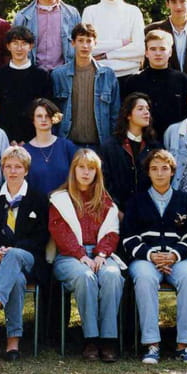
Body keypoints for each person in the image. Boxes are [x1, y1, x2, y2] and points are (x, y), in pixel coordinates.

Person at [122, 149, 187, 364]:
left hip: (178, 259)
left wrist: (174, 255)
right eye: (154, 169)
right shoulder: (136, 201)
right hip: (146, 259)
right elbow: (129, 237)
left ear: (173, 171)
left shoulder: (186, 201)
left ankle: (185, 345)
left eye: (164, 168)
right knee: (145, 279)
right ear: (148, 172)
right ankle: (152, 344)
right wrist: (151, 255)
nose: (159, 173)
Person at [49, 148, 125, 362]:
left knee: (112, 275)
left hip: (101, 253)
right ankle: (90, 339)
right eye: (81, 167)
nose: (85, 172)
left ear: (97, 172)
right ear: (73, 170)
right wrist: (81, 255)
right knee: (85, 276)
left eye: (91, 168)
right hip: (69, 256)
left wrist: (101, 254)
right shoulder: (60, 199)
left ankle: (108, 339)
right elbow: (59, 231)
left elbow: (111, 231)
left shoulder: (105, 200)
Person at [0, 146, 50, 361]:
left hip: (29, 259)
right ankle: (12, 343)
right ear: (2, 169)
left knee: (15, 255)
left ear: (26, 170)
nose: (13, 171)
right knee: (16, 279)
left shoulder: (38, 199)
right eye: (8, 166)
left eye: (18, 167)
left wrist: (13, 250)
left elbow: (41, 236)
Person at [51, 23, 120, 149]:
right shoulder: (58, 75)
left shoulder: (107, 75)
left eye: (89, 41)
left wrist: (111, 145)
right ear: (73, 43)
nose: (85, 45)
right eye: (80, 40)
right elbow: (53, 113)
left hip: (100, 146)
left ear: (95, 44)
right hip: (67, 144)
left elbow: (115, 114)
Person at [82, 0, 145, 85]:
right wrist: (122, 43)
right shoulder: (90, 11)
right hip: (99, 76)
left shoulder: (134, 12)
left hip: (130, 76)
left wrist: (105, 55)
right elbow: (89, 48)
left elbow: (139, 49)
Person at [122, 29, 187, 138]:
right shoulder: (133, 82)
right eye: (153, 49)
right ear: (146, 53)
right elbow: (126, 116)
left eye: (162, 49)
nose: (158, 53)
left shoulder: (183, 81)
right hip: (144, 141)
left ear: (170, 52)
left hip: (176, 140)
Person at [0, 26, 51, 143]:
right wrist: (9, 139)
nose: (19, 48)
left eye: (24, 43)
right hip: (4, 138)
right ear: (8, 46)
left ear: (31, 46)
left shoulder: (42, 76)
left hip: (35, 139)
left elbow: (46, 111)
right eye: (15, 43)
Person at [13, 0, 81, 71]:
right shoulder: (22, 17)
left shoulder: (72, 15)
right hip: (33, 73)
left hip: (64, 75)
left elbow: (79, 47)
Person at [100, 93, 161, 212]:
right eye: (140, 109)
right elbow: (104, 183)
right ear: (128, 115)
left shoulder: (155, 147)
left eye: (147, 109)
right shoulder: (110, 147)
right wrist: (116, 210)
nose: (146, 112)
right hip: (116, 212)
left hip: (148, 212)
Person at [23, 98, 78, 197]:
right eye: (39, 116)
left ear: (53, 118)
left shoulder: (67, 147)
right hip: (36, 204)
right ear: (33, 120)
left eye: (47, 115)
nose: (43, 119)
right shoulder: (25, 151)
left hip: (64, 203)